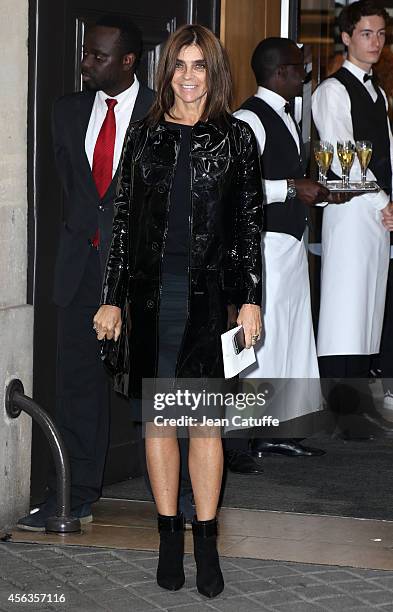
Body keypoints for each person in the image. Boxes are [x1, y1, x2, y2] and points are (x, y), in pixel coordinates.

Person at [93, 24, 263, 598]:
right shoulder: (144, 137)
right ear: (167, 73)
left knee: (205, 426)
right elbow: (121, 223)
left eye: (200, 66)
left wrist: (250, 300)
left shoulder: (236, 138)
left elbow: (247, 229)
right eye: (180, 66)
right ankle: (169, 536)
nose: (189, 78)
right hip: (150, 296)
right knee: (161, 423)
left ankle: (207, 539)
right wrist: (112, 297)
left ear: (214, 74)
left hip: (212, 301)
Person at [17, 15, 154, 531]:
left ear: (128, 60)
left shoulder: (160, 113)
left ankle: (185, 501)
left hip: (142, 277)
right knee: (77, 391)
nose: (85, 63)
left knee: (161, 388)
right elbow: (73, 196)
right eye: (85, 53)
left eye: (98, 56)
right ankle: (71, 499)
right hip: (78, 276)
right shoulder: (67, 111)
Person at [225, 37, 337, 475]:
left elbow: (290, 178)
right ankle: (240, 438)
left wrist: (319, 193)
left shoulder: (287, 116)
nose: (304, 75)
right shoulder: (247, 119)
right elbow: (237, 189)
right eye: (298, 68)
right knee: (257, 342)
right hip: (262, 244)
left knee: (289, 337)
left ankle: (276, 430)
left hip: (287, 244)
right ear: (281, 72)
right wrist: (293, 188)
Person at [312, 0, 393, 433]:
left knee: (368, 312)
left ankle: (356, 410)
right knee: (345, 313)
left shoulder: (377, 91)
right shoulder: (332, 90)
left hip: (375, 216)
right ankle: (342, 413)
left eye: (381, 34)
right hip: (351, 213)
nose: (375, 42)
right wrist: (384, 202)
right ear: (346, 37)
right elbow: (343, 161)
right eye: (366, 33)